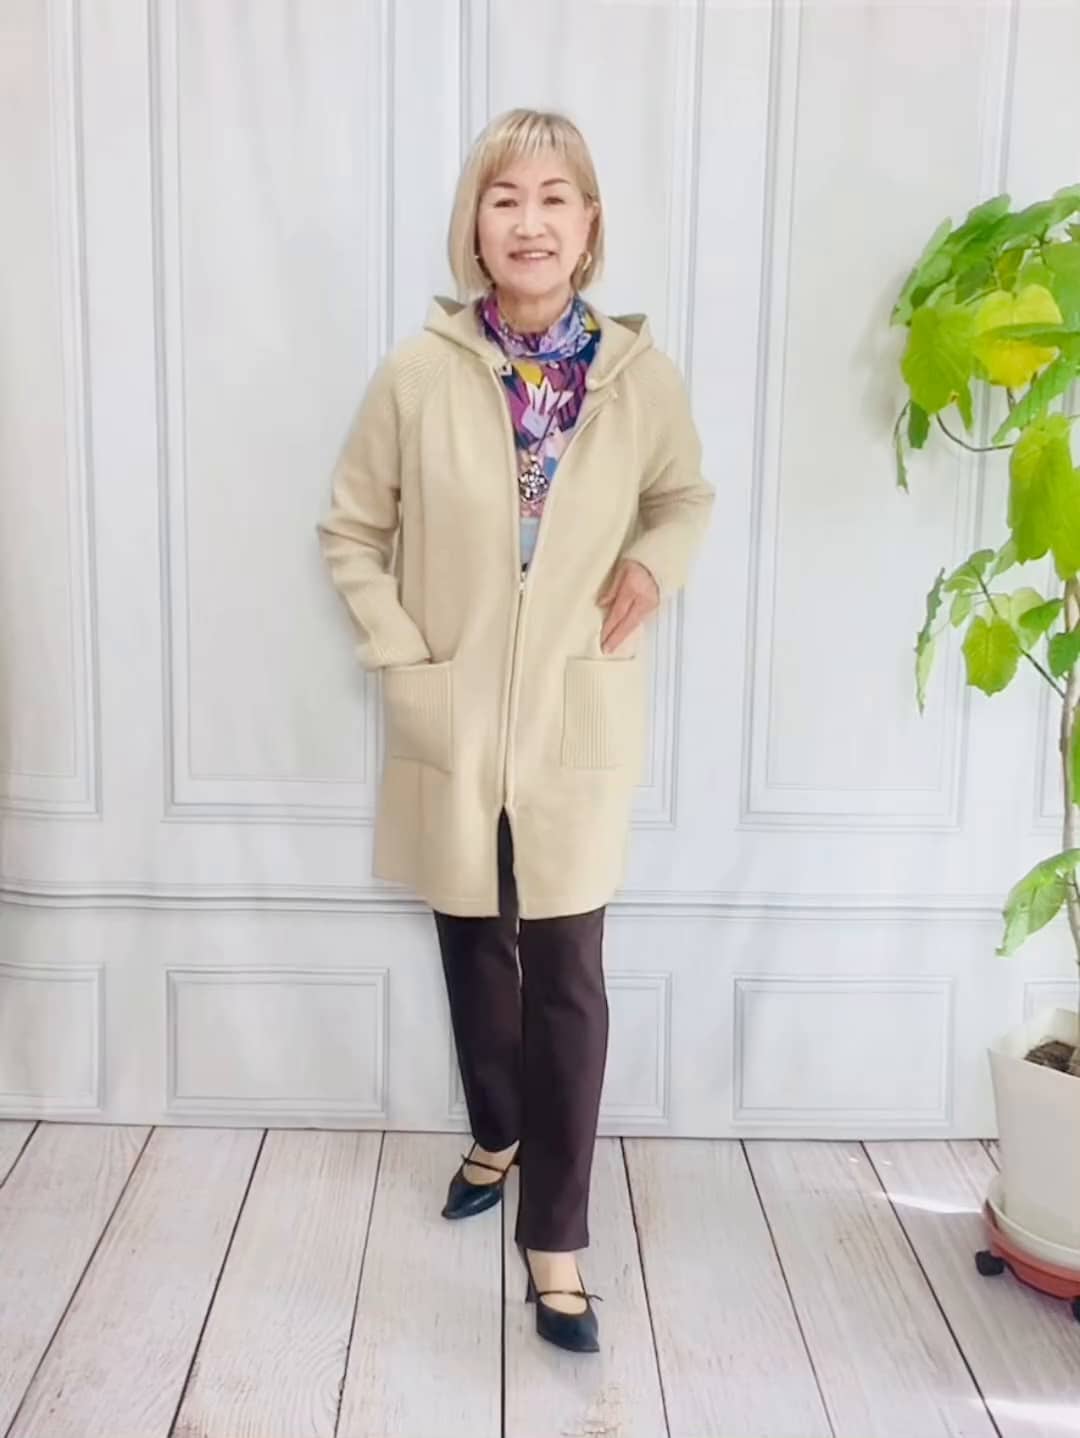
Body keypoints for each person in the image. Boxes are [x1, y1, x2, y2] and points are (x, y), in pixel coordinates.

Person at [317, 108, 714, 1355]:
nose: (529, 221)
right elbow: (351, 528)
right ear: (474, 227)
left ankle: (558, 1239)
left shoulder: (638, 379)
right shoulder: (418, 373)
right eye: (504, 198)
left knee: (568, 975)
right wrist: (401, 654)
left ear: (589, 225)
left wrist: (654, 563)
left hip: (574, 711)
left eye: (554, 198)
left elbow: (684, 496)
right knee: (473, 946)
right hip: (453, 707)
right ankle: (496, 1129)